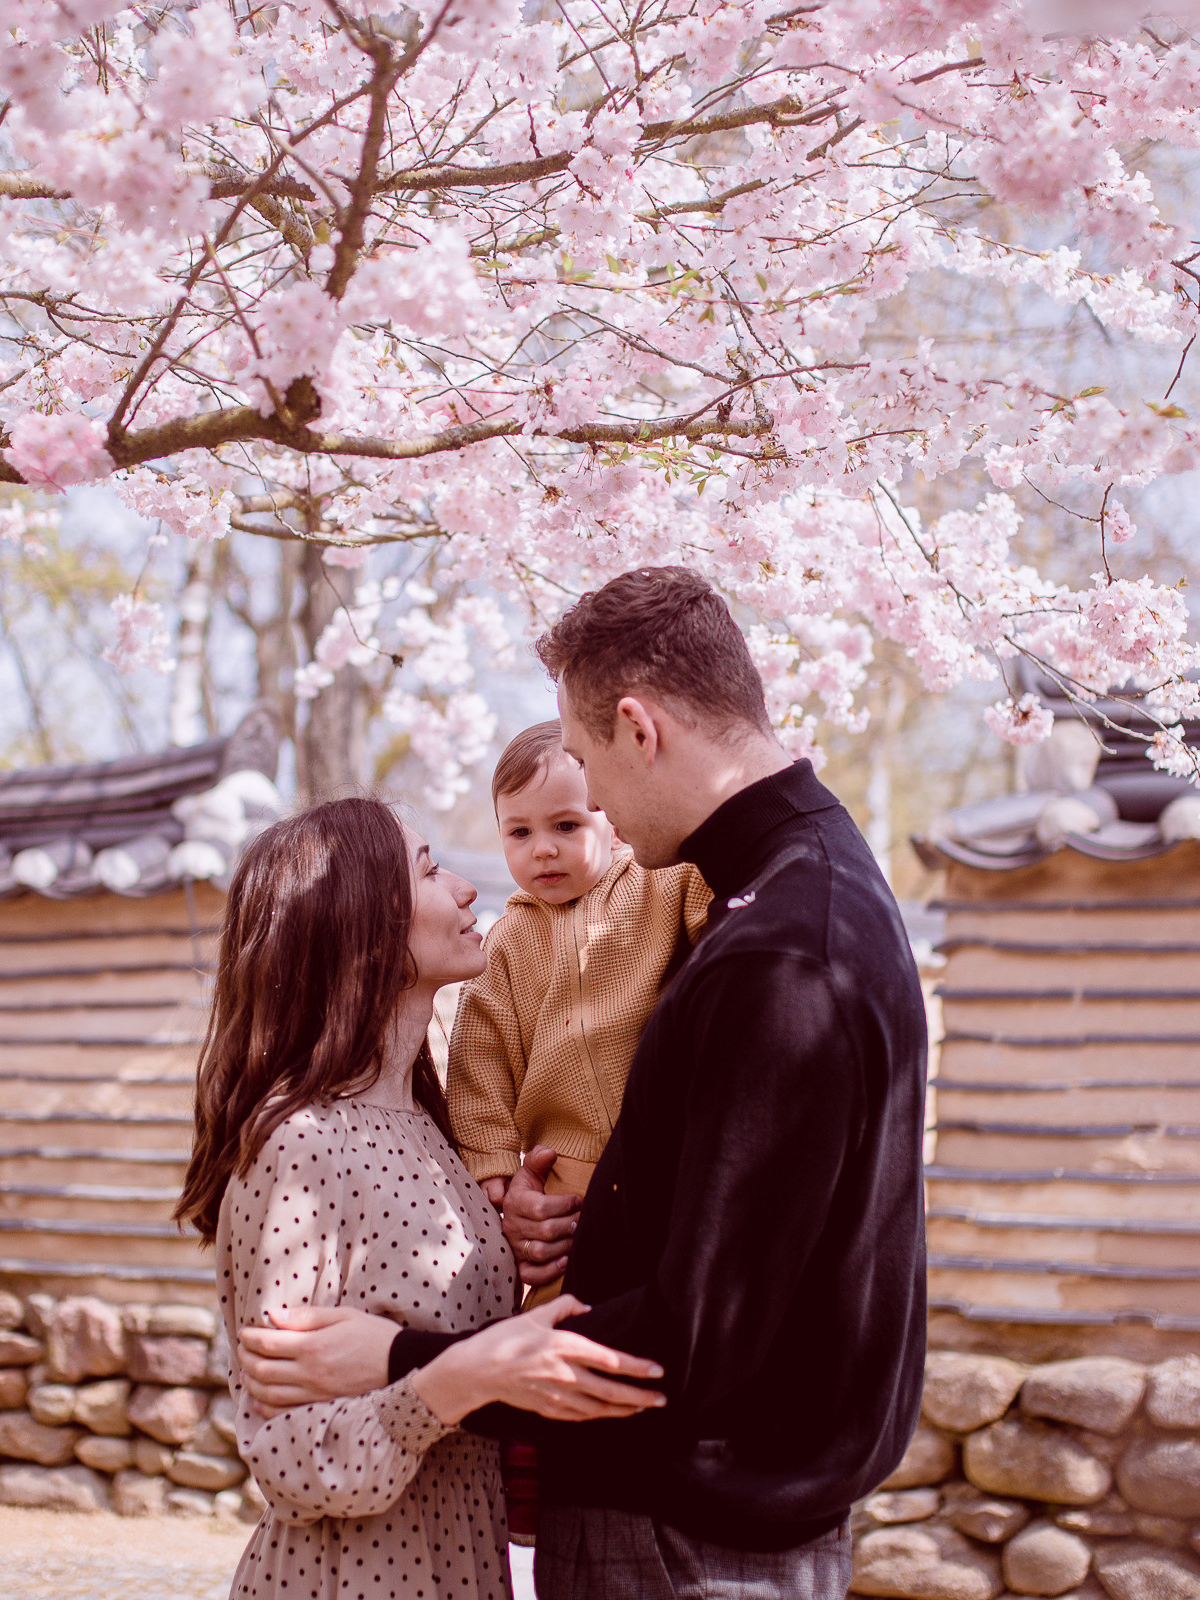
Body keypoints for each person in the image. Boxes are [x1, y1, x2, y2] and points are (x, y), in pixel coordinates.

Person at [240, 569, 930, 1599]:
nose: (588, 799)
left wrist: (406, 1365)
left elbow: (685, 1343)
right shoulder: (785, 900)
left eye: (585, 754)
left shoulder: (780, 956)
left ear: (639, 729)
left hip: (682, 1535)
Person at [177, 797, 666, 1600]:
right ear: (363, 924)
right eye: (431, 868)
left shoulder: (434, 1130)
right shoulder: (298, 1146)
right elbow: (290, 1458)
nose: (470, 889)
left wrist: (521, 1239)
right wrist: (453, 1381)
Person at [449, 718, 710, 1303]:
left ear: (610, 818)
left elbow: (725, 934)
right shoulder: (506, 941)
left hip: (670, 1146)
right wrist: (493, 1163)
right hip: (567, 1172)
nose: (543, 848)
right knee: (565, 1301)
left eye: (566, 825)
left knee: (674, 1293)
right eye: (519, 832)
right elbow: (480, 1056)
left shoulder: (663, 883)